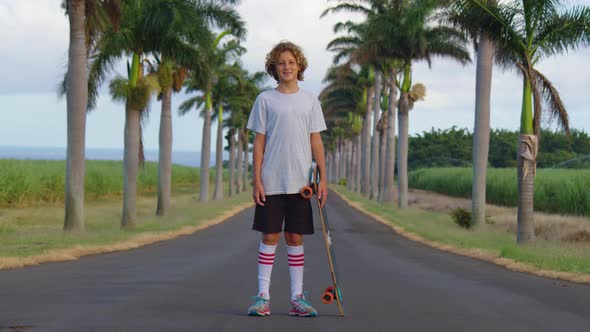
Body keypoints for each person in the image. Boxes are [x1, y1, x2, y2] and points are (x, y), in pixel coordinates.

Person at [245, 41, 328, 317]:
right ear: (274, 67)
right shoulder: (265, 99)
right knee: (270, 236)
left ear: (299, 66)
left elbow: (316, 141)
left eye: (291, 62)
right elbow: (259, 142)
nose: (286, 67)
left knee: (294, 237)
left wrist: (323, 178)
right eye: (281, 63)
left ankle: (297, 298)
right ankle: (262, 297)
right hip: (271, 181)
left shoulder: (310, 100)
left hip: (301, 184)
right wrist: (257, 179)